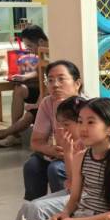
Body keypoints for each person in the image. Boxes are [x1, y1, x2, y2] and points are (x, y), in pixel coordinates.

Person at [23, 60, 84, 201]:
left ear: (77, 83)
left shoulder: (87, 106)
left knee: (56, 168)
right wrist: (50, 150)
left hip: (80, 157)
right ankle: (34, 209)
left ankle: (66, 206)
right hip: (57, 154)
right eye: (50, 80)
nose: (55, 85)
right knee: (32, 166)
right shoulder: (47, 103)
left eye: (61, 79)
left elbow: (86, 146)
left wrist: (59, 106)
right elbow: (36, 142)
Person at [0, 25, 48, 147]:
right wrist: (24, 77)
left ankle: (3, 134)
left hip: (47, 94)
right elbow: (39, 73)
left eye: (30, 46)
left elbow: (48, 85)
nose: (28, 50)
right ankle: (13, 135)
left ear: (41, 41)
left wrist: (37, 104)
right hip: (42, 92)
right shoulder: (42, 52)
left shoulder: (53, 51)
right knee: (19, 89)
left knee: (29, 115)